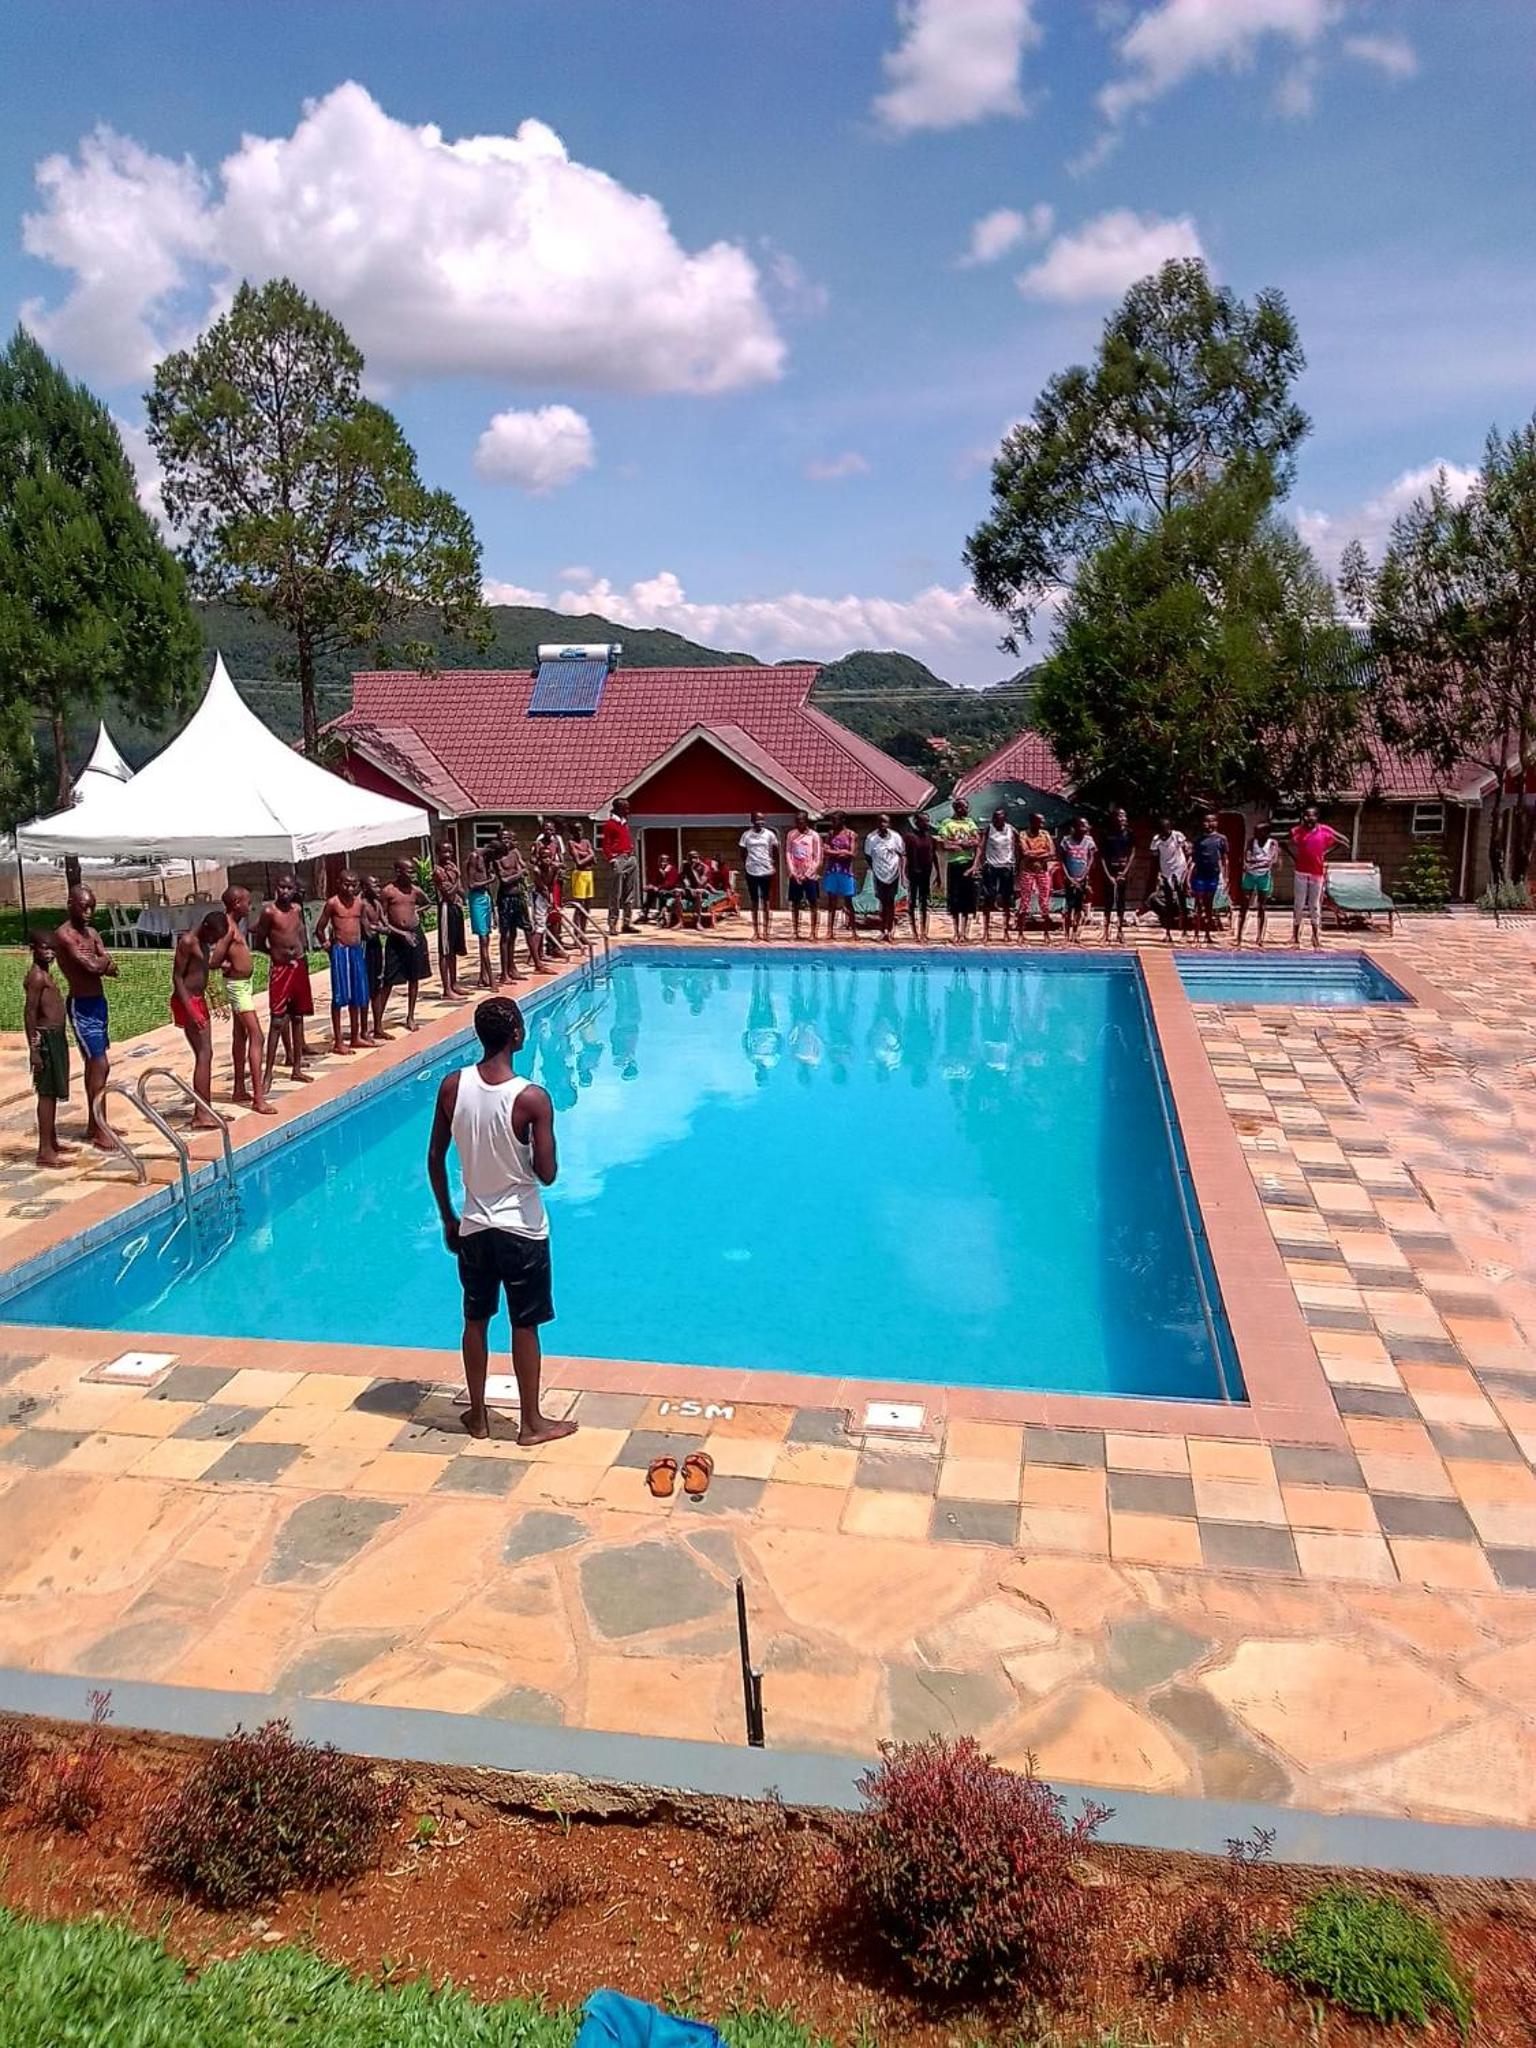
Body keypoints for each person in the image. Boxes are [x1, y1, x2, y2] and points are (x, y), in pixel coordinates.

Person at [426, 995, 576, 1447]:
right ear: (516, 1034)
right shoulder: (531, 1098)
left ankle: (477, 1415)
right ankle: (531, 1423)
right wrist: (536, 1141)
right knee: (523, 1324)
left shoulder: (453, 1087)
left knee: (475, 1319)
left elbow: (434, 1158)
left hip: (474, 1225)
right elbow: (547, 1174)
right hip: (522, 1229)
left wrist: (448, 1218)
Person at [53, 886, 117, 1150]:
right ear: (71, 904)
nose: (89, 912)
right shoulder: (64, 936)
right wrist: (100, 963)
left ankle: (95, 1123)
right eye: (84, 907)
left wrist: (101, 963)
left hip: (98, 1004)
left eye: (92, 907)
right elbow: (93, 965)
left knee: (95, 1065)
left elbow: (111, 966)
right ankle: (100, 1129)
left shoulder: (92, 933)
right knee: (100, 1064)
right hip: (81, 1008)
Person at [208, 889, 275, 1114]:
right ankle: (258, 1098)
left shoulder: (235, 925)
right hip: (237, 988)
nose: (250, 906)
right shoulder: (228, 928)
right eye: (247, 902)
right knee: (257, 1036)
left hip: (244, 984)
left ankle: (239, 1088)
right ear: (236, 903)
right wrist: (228, 965)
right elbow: (214, 960)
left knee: (241, 1035)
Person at [253, 875, 315, 1085]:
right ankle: (268, 1073)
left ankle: (296, 1067)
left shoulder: (296, 909)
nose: (285, 891)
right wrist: (277, 956)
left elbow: (299, 934)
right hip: (281, 970)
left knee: (297, 1017)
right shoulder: (269, 912)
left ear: (295, 890)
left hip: (299, 966)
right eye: (282, 887)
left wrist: (301, 955)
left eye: (289, 888)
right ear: (276, 888)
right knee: (278, 1020)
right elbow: (259, 941)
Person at [23, 932, 73, 1168]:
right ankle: (44, 1150)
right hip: (45, 1040)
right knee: (46, 1094)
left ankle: (52, 1142)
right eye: (45, 948)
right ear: (33, 948)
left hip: (56, 1037)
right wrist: (34, 1049)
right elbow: (30, 1013)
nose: (50, 953)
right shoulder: (36, 977)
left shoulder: (45, 974)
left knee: (53, 1092)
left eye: (53, 949)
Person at [169, 919, 220, 1124]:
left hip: (198, 998)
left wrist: (213, 995)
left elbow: (200, 972)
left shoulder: (204, 942)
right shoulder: (188, 942)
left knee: (206, 1053)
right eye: (214, 936)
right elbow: (177, 978)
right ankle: (201, 1114)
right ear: (206, 927)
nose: (214, 942)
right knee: (204, 1053)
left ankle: (205, 1109)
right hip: (188, 1001)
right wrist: (191, 1011)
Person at [314, 871, 372, 1052]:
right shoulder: (333, 903)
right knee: (340, 996)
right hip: (340, 951)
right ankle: (338, 1041)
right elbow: (319, 928)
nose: (350, 889)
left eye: (354, 885)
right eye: (346, 884)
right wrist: (326, 945)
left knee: (357, 995)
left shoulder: (360, 904)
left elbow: (366, 926)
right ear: (339, 883)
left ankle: (355, 1036)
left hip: (356, 951)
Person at [380, 859, 432, 1031]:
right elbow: (382, 918)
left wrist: (416, 912)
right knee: (388, 979)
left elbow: (427, 902)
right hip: (396, 938)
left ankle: (410, 1016)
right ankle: (378, 1021)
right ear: (398, 871)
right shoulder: (388, 891)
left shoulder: (415, 891)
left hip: (414, 935)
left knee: (413, 977)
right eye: (409, 872)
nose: (412, 875)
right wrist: (400, 933)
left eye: (413, 872)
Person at [1290, 805, 1346, 949]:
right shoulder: (1298, 831)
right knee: (1299, 904)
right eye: (1306, 816)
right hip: (1301, 872)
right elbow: (1284, 841)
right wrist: (1294, 857)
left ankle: (1315, 936)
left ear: (1317, 817)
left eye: (1312, 815)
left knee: (1314, 905)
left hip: (1317, 873)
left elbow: (1342, 841)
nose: (1309, 818)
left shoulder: (1324, 830)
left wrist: (1324, 853)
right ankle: (1295, 935)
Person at [936, 796, 980, 943]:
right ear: (957, 808)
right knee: (954, 900)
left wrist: (958, 844)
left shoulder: (970, 822)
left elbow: (976, 841)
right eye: (964, 807)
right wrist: (962, 844)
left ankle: (964, 932)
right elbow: (945, 844)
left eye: (967, 807)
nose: (967, 810)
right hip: (954, 864)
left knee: (967, 899)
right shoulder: (947, 823)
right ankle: (956, 932)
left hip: (967, 863)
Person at [490, 831, 531, 982]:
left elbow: (524, 869)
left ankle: (512, 968)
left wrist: (519, 873)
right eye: (503, 839)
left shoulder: (514, 853)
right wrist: (519, 874)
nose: (506, 842)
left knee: (514, 934)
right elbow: (505, 880)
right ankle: (504, 973)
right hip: (505, 898)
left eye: (508, 839)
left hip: (517, 896)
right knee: (505, 935)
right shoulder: (497, 858)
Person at [975, 806, 1019, 943]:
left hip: (1007, 866)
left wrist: (1018, 865)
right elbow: (981, 847)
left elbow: (1018, 845)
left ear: (1004, 819)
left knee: (1006, 900)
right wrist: (978, 864)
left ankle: (1005, 932)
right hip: (991, 866)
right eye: (995, 818)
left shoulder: (1011, 830)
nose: (996, 821)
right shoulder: (989, 829)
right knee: (988, 899)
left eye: (999, 818)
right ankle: (986, 932)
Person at [432, 836, 468, 1002]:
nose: (448, 855)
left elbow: (459, 890)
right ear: (438, 853)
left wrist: (464, 899)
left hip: (456, 908)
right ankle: (446, 989)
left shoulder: (452, 868)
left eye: (450, 852)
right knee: (445, 950)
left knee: (454, 949)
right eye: (444, 852)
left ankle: (454, 983)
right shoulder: (438, 871)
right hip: (446, 908)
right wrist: (458, 877)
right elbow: (448, 893)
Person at [1236, 822, 1281, 947]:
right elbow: (1247, 857)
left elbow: (1272, 860)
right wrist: (1258, 862)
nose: (1256, 834)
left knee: (1262, 906)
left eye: (1259, 832)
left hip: (1264, 875)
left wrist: (1256, 862)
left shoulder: (1272, 843)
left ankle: (1260, 937)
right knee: (1244, 905)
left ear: (1266, 833)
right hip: (1250, 875)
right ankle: (1239, 936)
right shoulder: (1252, 842)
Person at [864, 812, 906, 941]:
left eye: (885, 822)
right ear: (877, 823)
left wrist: (902, 873)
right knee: (882, 902)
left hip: (893, 873)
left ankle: (891, 930)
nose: (882, 824)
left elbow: (902, 855)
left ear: (889, 824)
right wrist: (876, 868)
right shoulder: (871, 838)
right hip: (879, 874)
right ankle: (883, 930)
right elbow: (868, 856)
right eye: (880, 822)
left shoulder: (896, 837)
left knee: (891, 902)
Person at [739, 810, 780, 940]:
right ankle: (756, 932)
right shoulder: (746, 835)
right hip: (752, 871)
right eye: (757, 820)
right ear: (752, 821)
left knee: (766, 901)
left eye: (762, 820)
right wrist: (747, 864)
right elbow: (742, 852)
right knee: (754, 901)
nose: (760, 823)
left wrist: (773, 864)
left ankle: (766, 932)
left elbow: (775, 851)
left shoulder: (770, 834)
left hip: (766, 871)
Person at [1149, 818, 1192, 941]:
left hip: (1179, 869)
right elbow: (1154, 858)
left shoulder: (1177, 836)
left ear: (1169, 829)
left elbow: (1187, 850)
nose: (1164, 834)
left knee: (1182, 899)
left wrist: (1187, 870)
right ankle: (1168, 933)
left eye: (1166, 830)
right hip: (1166, 870)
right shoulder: (1156, 840)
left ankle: (1184, 930)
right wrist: (1157, 874)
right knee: (1168, 901)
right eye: (1162, 831)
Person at [1189, 813, 1229, 945]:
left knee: (1209, 905)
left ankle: (1207, 934)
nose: (1208, 824)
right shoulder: (1199, 840)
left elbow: (1225, 859)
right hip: (1199, 875)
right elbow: (1193, 859)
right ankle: (1196, 934)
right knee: (1198, 904)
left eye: (1211, 821)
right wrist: (1188, 876)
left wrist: (1226, 876)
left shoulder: (1221, 839)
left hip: (1213, 875)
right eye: (1206, 821)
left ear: (1216, 823)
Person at [1016, 813, 1056, 939]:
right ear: (1033, 822)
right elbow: (1025, 852)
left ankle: (1046, 933)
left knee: (1044, 901)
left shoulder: (1045, 834)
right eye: (1040, 821)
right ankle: (1020, 933)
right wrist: (1043, 853)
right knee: (1025, 901)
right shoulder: (1023, 834)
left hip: (1042, 870)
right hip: (1027, 870)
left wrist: (1034, 854)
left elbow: (1052, 852)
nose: (1042, 824)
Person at [602, 798, 639, 935]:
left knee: (630, 893)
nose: (628, 811)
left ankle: (627, 923)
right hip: (619, 858)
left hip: (630, 857)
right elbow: (606, 844)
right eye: (625, 808)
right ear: (618, 808)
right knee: (615, 893)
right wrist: (611, 858)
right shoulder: (610, 824)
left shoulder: (624, 823)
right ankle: (612, 924)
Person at [1058, 817, 1098, 942]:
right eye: (1082, 826)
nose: (1085, 828)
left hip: (1082, 878)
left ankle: (1075, 933)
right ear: (1075, 827)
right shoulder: (1066, 841)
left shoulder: (1089, 841)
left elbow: (1090, 859)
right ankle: (1067, 934)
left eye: (1086, 826)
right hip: (1069, 878)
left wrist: (1083, 876)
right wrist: (1069, 877)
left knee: (1079, 907)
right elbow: (1062, 860)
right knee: (1069, 907)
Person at [1100, 808, 1136, 944]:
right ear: (1114, 818)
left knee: (1121, 900)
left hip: (1123, 869)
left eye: (1124, 816)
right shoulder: (1106, 833)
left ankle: (1120, 931)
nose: (1122, 818)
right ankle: (1106, 931)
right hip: (1109, 870)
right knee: (1108, 901)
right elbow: (1102, 856)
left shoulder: (1129, 833)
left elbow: (1132, 853)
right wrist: (1108, 875)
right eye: (1120, 816)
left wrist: (1125, 871)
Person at [785, 810, 823, 940]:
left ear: (806, 821)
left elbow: (817, 858)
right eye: (797, 821)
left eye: (801, 821)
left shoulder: (814, 836)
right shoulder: (791, 834)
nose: (798, 824)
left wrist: (808, 874)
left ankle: (813, 932)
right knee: (795, 903)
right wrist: (793, 872)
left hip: (809, 875)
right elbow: (788, 853)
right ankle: (795, 931)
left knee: (813, 902)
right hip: (795, 874)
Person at [359, 874, 388, 1037]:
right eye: (374, 886)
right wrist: (379, 928)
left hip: (376, 947)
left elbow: (386, 926)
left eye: (379, 885)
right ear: (365, 888)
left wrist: (377, 927)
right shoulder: (361, 905)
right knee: (365, 989)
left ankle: (378, 1027)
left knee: (377, 987)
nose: (378, 889)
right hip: (365, 948)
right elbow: (367, 932)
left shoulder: (376, 904)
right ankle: (363, 1030)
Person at [464, 844, 496, 989]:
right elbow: (471, 884)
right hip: (476, 899)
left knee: (487, 939)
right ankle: (491, 979)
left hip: (485, 897)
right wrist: (490, 881)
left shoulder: (486, 859)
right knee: (483, 938)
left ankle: (483, 977)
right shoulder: (474, 857)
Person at [822, 813, 858, 939]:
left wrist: (843, 853)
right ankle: (830, 931)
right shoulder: (831, 834)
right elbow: (825, 851)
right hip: (832, 870)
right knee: (832, 901)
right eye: (832, 821)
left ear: (842, 820)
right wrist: (840, 852)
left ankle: (854, 931)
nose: (833, 823)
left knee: (848, 902)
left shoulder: (851, 834)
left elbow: (852, 853)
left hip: (846, 871)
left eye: (835, 820)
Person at [903, 812, 935, 940]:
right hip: (913, 873)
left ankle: (923, 931)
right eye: (924, 821)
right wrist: (904, 872)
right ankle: (914, 932)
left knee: (924, 902)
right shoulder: (910, 837)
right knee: (912, 902)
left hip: (926, 873)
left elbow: (934, 855)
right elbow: (905, 856)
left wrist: (938, 874)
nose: (927, 824)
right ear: (917, 822)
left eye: (928, 821)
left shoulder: (930, 838)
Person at [566, 821, 596, 936]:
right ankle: (577, 933)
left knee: (587, 906)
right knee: (579, 905)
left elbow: (594, 860)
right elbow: (578, 862)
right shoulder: (571, 843)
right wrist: (589, 855)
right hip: (579, 875)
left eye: (580, 830)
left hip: (589, 874)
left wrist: (586, 855)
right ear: (572, 832)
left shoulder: (586, 841)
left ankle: (583, 931)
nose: (579, 833)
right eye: (576, 831)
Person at [642, 850, 681, 925]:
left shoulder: (672, 870)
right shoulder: (660, 870)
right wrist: (650, 886)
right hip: (662, 889)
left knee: (662, 893)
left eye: (664, 861)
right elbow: (655, 881)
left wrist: (658, 887)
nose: (662, 863)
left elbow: (670, 884)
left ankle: (662, 916)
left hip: (672, 890)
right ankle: (645, 914)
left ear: (668, 862)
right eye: (660, 861)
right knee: (651, 892)